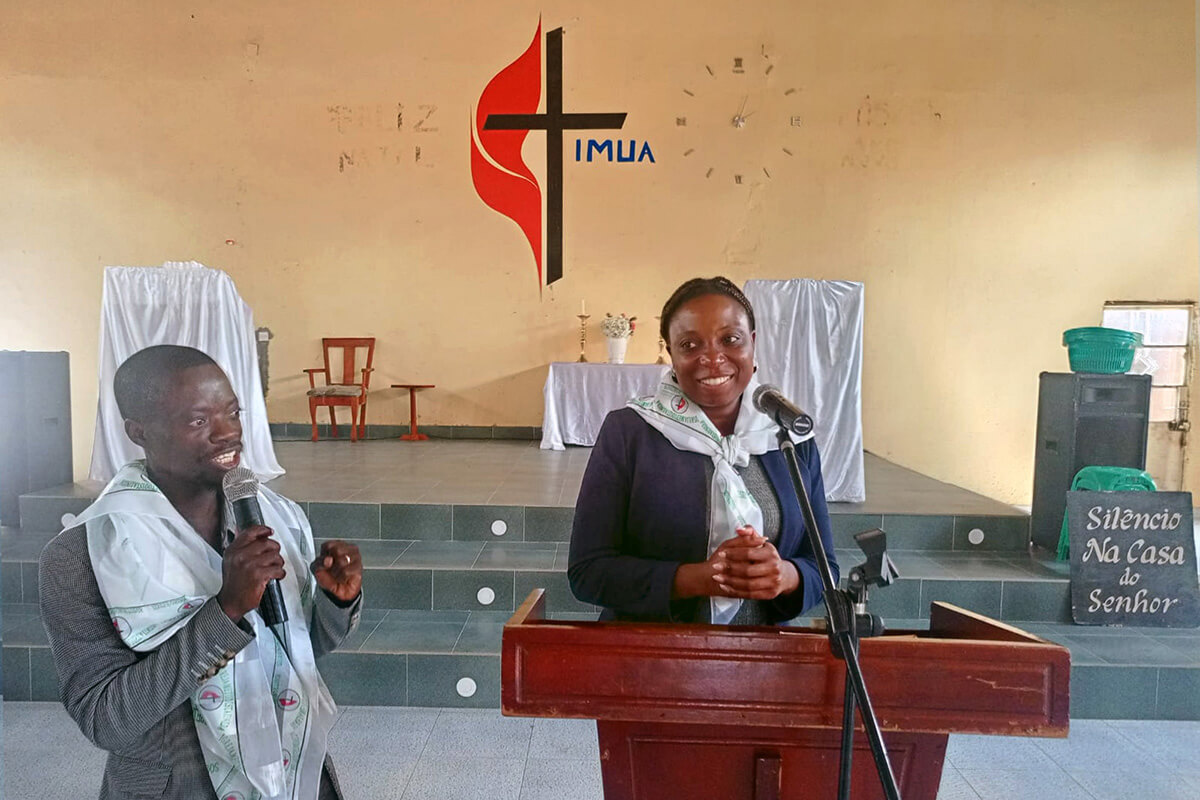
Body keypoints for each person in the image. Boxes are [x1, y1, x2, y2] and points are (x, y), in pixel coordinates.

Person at [39, 345, 363, 800]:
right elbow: (106, 719)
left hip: (293, 775)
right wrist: (225, 612)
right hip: (178, 784)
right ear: (139, 432)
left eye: (233, 412)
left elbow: (298, 649)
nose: (228, 433)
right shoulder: (86, 553)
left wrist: (335, 601)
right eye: (199, 421)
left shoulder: (269, 519)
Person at [568, 277, 838, 625]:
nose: (712, 358)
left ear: (752, 344)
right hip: (648, 660)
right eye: (690, 344)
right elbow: (588, 572)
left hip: (764, 665)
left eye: (730, 339)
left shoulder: (788, 438)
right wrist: (698, 579)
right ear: (671, 354)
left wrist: (786, 576)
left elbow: (824, 567)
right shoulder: (630, 432)